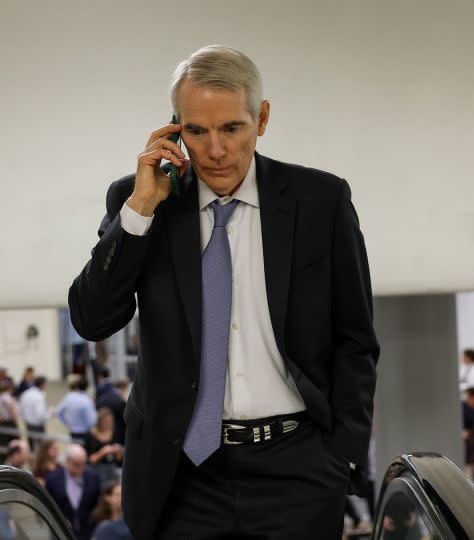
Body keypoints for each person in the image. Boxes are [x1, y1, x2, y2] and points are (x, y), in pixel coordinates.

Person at [68, 44, 379, 539]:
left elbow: (356, 338)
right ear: (175, 128)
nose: (214, 150)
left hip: (298, 469)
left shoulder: (320, 201)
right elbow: (92, 319)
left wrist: (340, 454)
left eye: (231, 128)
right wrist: (141, 208)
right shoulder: (140, 201)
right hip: (182, 476)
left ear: (262, 118)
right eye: (196, 130)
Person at [46, 444, 102, 540]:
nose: (80, 468)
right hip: (60, 532)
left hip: (86, 532)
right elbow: (48, 505)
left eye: (82, 464)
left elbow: (97, 503)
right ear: (67, 461)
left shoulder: (93, 478)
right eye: (76, 464)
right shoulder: (53, 479)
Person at [86, 408, 124, 484]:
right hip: (97, 470)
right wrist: (103, 452)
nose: (108, 423)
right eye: (106, 421)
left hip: (112, 470)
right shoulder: (92, 436)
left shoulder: (115, 434)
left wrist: (118, 452)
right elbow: (89, 460)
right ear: (100, 421)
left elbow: (118, 460)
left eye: (110, 421)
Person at [57, 376, 97, 446]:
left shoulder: (68, 397)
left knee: (75, 452)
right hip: (84, 433)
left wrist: (67, 422)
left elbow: (59, 412)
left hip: (73, 431)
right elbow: (92, 421)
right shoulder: (87, 400)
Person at [0, 380, 21, 459]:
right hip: (10, 424)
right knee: (13, 447)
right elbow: (14, 414)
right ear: (10, 388)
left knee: (2, 447)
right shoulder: (9, 399)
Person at [19, 375, 49, 450]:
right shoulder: (39, 396)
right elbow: (40, 415)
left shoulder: (25, 393)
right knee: (41, 449)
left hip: (28, 424)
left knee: (32, 447)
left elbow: (21, 410)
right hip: (38, 426)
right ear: (42, 384)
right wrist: (49, 415)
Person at [96, 378, 127, 445]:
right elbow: (125, 419)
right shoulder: (120, 401)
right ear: (123, 388)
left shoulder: (102, 398)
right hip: (118, 435)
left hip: (102, 433)